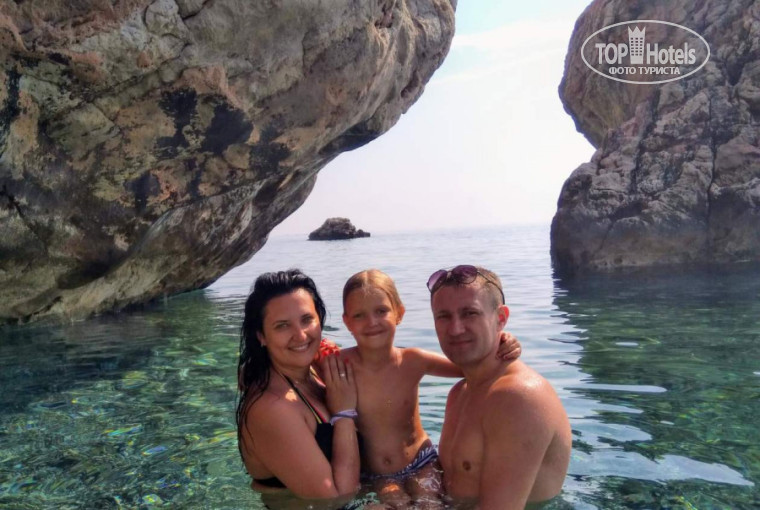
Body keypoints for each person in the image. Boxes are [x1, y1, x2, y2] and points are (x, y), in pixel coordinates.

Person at [338, 269, 522, 509]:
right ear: (347, 322)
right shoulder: (339, 365)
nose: (372, 322)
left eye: (381, 311)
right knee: (394, 503)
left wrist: (502, 341)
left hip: (422, 462)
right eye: (359, 315)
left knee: (431, 504)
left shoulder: (413, 360)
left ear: (399, 313)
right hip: (377, 474)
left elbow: (471, 365)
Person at [428, 265, 572, 510]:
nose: (455, 329)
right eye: (443, 316)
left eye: (470, 313)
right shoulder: (460, 392)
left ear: (501, 318)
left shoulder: (519, 398)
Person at [236, 270, 361, 509]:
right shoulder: (272, 409)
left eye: (307, 319)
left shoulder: (313, 371)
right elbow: (336, 498)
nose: (301, 335)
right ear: (261, 336)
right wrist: (344, 414)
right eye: (282, 326)